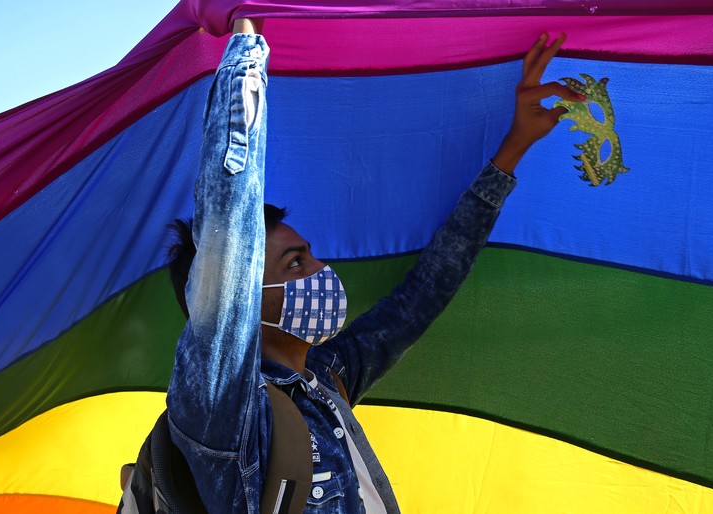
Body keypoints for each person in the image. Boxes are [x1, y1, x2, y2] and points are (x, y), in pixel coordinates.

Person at [164, 17, 583, 513]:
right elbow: (226, 237)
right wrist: (244, 60)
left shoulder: (329, 376)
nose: (321, 269)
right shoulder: (223, 409)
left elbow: (426, 292)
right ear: (238, 297)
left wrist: (512, 149)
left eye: (310, 254)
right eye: (296, 262)